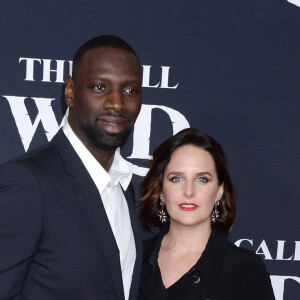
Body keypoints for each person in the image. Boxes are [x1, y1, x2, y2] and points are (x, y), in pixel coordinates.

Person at [0, 35, 143, 300]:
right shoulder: (29, 182)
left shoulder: (123, 187)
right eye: (100, 87)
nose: (117, 103)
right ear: (70, 92)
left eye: (130, 90)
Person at [138, 128, 275, 300]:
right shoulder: (134, 259)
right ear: (160, 190)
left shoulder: (245, 269)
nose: (188, 191)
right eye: (176, 179)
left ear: (219, 191)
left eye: (202, 179)